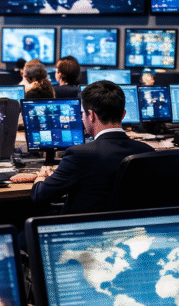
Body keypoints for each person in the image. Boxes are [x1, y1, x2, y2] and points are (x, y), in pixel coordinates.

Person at [30, 81, 153, 215]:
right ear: (123, 115)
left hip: (84, 232)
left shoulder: (79, 155)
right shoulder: (147, 152)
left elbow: (40, 196)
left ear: (91, 115)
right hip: (131, 231)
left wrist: (40, 177)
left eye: (83, 114)